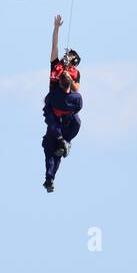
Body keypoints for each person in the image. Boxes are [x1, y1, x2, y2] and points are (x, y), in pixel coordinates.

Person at [43, 14, 83, 193]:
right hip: (53, 105)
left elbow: (77, 90)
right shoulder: (56, 65)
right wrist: (56, 28)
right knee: (50, 145)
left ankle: (64, 142)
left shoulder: (75, 73)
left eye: (71, 56)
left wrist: (67, 76)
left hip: (66, 108)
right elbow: (54, 47)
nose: (67, 57)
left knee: (76, 123)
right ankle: (49, 178)